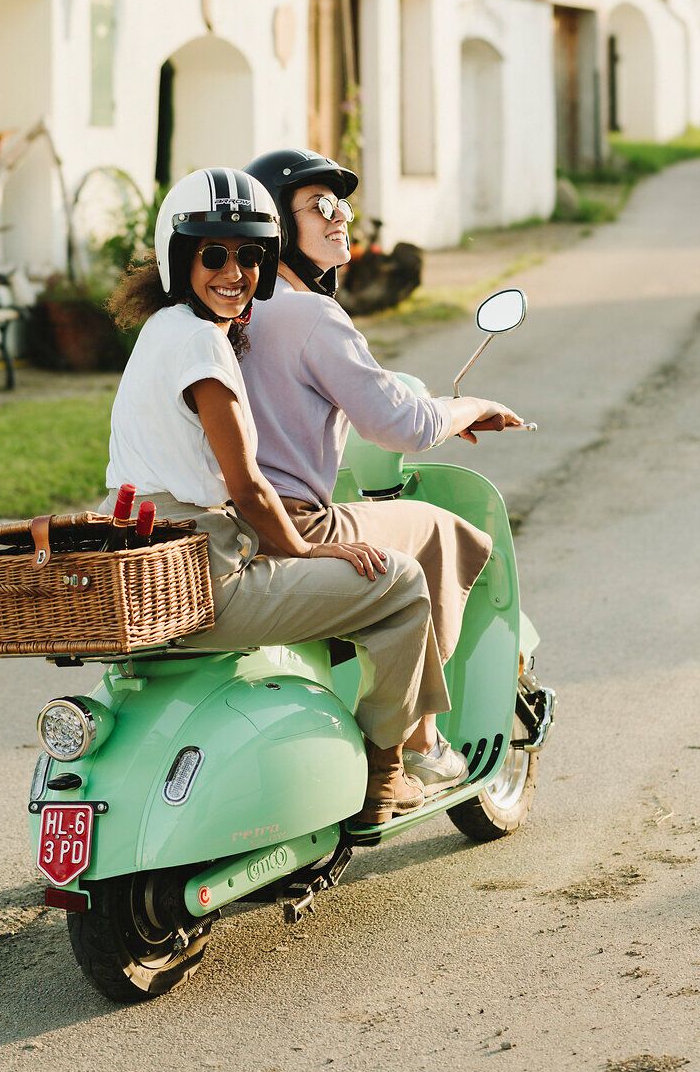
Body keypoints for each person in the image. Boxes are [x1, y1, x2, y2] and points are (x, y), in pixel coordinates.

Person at [104, 166, 446, 826]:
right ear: (180, 259)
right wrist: (305, 551)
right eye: (213, 255)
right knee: (401, 583)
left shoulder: (162, 331)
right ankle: (387, 772)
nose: (234, 272)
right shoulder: (203, 346)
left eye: (250, 256)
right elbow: (246, 487)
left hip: (158, 564)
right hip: (211, 577)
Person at [242, 148, 523, 789]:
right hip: (298, 524)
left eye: (341, 204)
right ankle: (415, 743)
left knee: (396, 531)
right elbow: (401, 425)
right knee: (438, 531)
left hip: (236, 521)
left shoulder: (236, 311)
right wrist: (471, 405)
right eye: (319, 206)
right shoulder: (310, 314)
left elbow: (351, 390)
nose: (340, 218)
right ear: (280, 228)